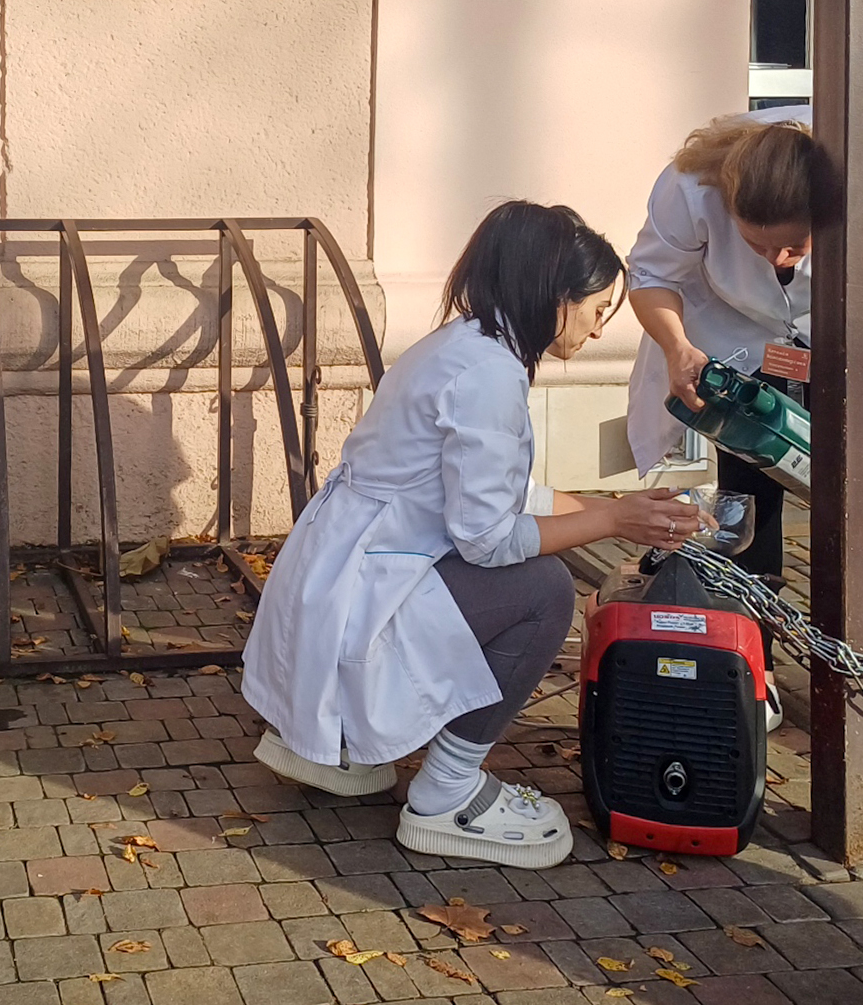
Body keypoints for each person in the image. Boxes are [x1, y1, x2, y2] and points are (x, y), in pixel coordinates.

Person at [242, 201, 703, 870]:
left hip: (341, 573)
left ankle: (334, 735)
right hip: (360, 585)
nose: (601, 329)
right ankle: (447, 793)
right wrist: (611, 520)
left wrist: (618, 507)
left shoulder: (465, 343)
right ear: (555, 297)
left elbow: (501, 491)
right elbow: (487, 538)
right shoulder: (489, 374)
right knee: (545, 590)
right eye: (599, 309)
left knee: (535, 570)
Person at [624, 105, 863, 766]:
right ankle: (755, 668)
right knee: (744, 505)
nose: (778, 259)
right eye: (757, 245)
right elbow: (652, 277)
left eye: (795, 246)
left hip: (843, 337)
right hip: (729, 345)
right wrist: (678, 347)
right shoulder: (690, 185)